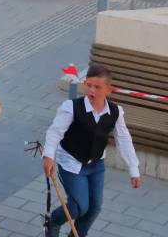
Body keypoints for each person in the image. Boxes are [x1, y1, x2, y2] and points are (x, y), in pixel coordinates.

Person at [41, 64, 140, 237]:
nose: (91, 90)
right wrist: (49, 156)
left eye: (97, 87)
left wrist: (134, 169)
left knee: (94, 208)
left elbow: (124, 139)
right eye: (89, 85)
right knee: (79, 206)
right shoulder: (71, 107)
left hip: (96, 164)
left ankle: (77, 235)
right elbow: (55, 132)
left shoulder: (115, 112)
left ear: (109, 90)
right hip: (71, 162)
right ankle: (53, 222)